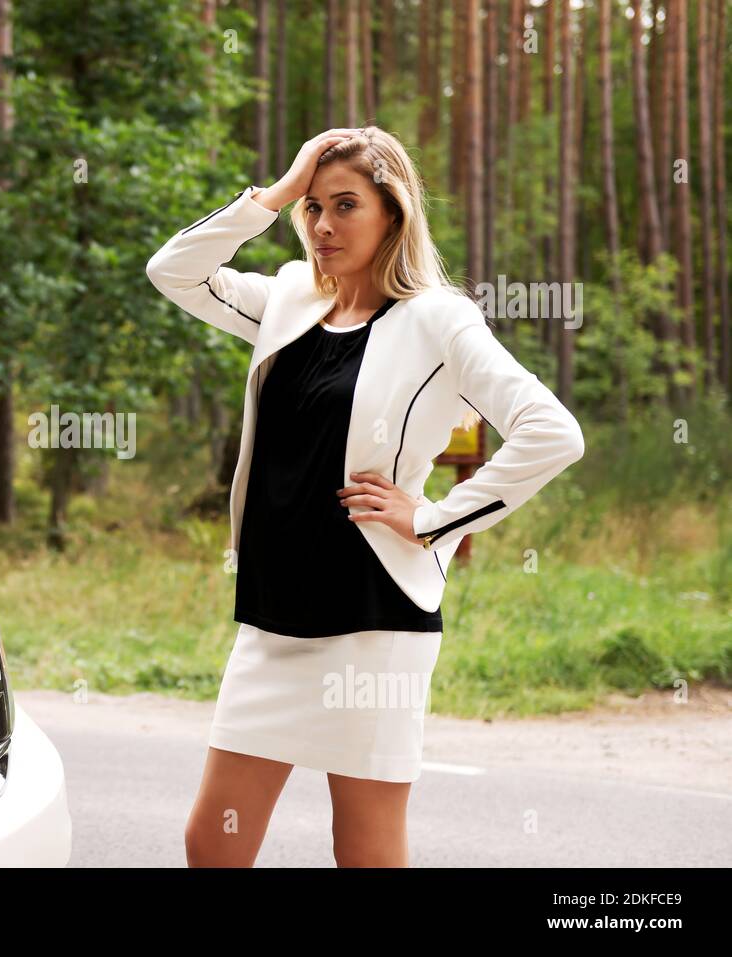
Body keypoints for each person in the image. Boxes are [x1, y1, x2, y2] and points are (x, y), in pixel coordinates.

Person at [145, 127, 585, 867]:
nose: (322, 225)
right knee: (210, 842)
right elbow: (174, 270)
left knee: (365, 849)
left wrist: (436, 519)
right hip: (271, 620)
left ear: (394, 213)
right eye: (313, 207)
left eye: (345, 205)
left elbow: (552, 431)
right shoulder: (288, 298)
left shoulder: (438, 319)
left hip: (373, 624)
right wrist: (278, 190)